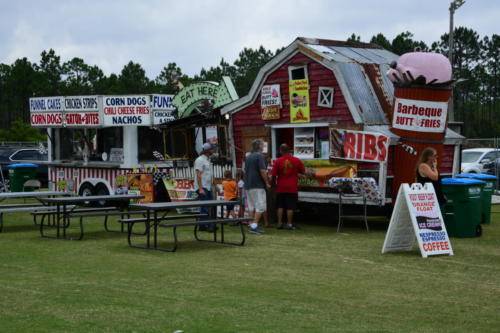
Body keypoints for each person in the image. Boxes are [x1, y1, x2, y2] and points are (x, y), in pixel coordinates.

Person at [271, 143, 305, 230]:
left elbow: (274, 175)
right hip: (292, 187)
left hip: (280, 187)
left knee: (280, 206)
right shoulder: (296, 160)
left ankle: (279, 223)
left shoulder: (277, 161)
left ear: (280, 151)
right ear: (289, 150)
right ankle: (289, 224)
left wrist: (273, 186)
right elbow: (303, 171)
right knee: (290, 206)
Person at [244, 139, 271, 234]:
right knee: (261, 206)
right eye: (263, 145)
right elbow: (263, 171)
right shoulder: (259, 156)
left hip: (248, 184)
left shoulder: (248, 156)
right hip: (257, 185)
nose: (263, 146)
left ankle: (252, 225)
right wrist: (267, 182)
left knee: (251, 206)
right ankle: (254, 226)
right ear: (259, 146)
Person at [194, 142, 215, 231]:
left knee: (209, 205)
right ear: (208, 150)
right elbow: (198, 174)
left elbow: (209, 174)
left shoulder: (207, 160)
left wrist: (214, 185)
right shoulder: (200, 160)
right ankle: (206, 225)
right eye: (212, 149)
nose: (213, 150)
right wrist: (201, 188)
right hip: (202, 187)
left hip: (208, 186)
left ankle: (203, 225)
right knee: (205, 206)